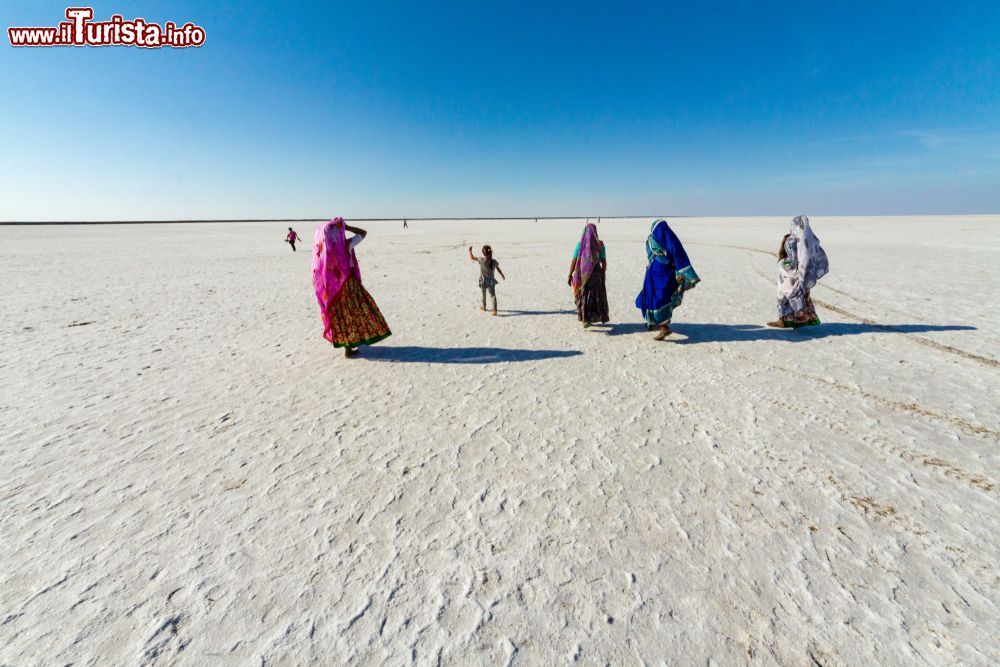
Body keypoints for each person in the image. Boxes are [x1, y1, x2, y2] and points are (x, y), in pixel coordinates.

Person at [312, 218, 391, 357]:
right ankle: (353, 344)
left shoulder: (324, 251)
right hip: (349, 286)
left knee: (342, 316)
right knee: (356, 312)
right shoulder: (346, 244)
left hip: (334, 291)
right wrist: (347, 228)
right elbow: (363, 233)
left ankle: (348, 347)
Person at [635, 219, 700, 340]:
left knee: (655, 299)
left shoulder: (652, 240)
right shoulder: (670, 241)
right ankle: (655, 322)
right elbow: (677, 256)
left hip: (656, 274)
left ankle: (663, 327)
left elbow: (656, 256)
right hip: (663, 274)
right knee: (659, 298)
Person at [767, 215, 829, 328]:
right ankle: (802, 319)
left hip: (789, 273)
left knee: (785, 294)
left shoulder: (792, 239)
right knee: (800, 294)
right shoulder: (807, 240)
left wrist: (788, 265)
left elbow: (794, 256)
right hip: (798, 272)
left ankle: (785, 320)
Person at [567, 223, 609, 327]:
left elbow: (574, 260)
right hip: (596, 275)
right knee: (594, 297)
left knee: (583, 296)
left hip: (582, 275)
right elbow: (603, 261)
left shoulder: (580, 244)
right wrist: (603, 273)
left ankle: (585, 319)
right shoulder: (600, 245)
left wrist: (570, 274)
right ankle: (593, 316)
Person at [468, 244, 506, 315]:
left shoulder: (481, 260)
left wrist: (470, 251)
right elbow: (498, 269)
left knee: (483, 294)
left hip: (483, 281)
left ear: (483, 253)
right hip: (491, 282)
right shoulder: (494, 261)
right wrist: (502, 275)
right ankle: (495, 310)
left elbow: (472, 257)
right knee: (492, 295)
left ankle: (484, 307)